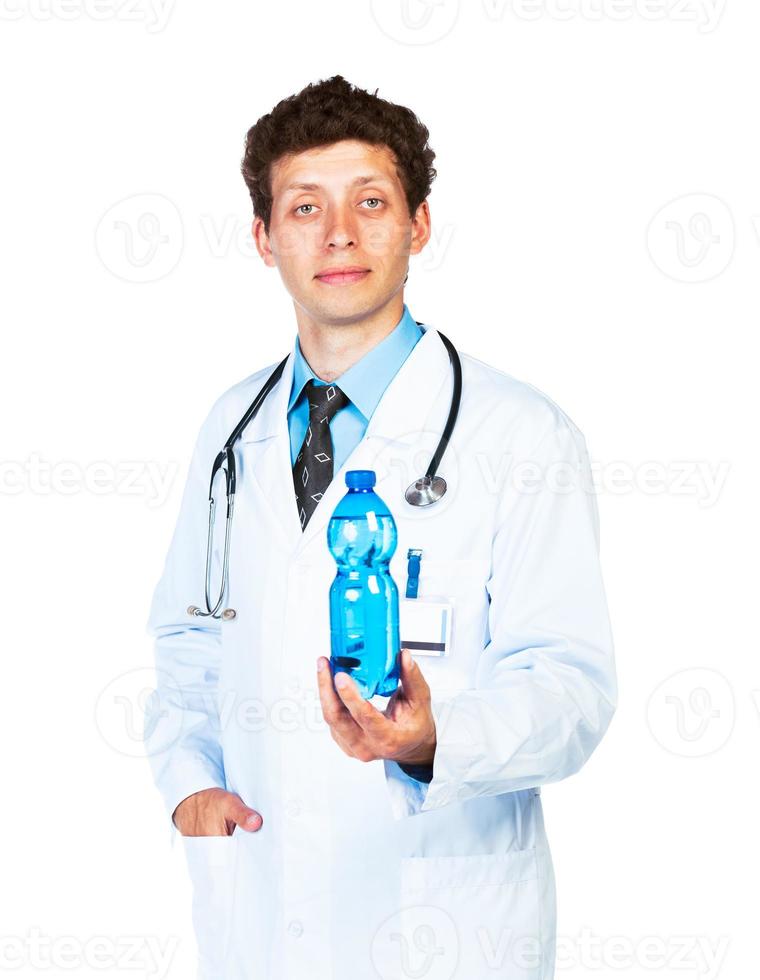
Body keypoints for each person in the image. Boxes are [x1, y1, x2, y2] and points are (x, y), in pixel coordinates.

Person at [145, 74, 617, 980]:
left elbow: (572, 687)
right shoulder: (229, 429)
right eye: (304, 207)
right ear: (263, 237)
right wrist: (190, 785)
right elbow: (187, 642)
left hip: (445, 931)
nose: (338, 235)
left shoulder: (518, 433)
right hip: (260, 916)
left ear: (419, 224)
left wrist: (435, 741)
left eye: (370, 201)